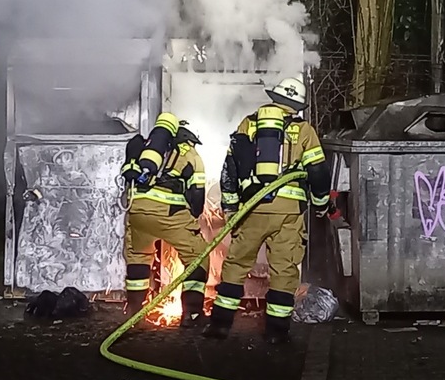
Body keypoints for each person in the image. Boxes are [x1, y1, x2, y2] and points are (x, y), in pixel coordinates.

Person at [202, 75, 331, 344]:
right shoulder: (304, 130)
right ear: (296, 105)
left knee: (236, 265)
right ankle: (276, 333)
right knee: (284, 270)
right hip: (288, 213)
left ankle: (219, 326)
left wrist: (231, 207)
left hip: (253, 208)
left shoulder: (249, 123)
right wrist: (321, 205)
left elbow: (230, 168)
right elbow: (318, 171)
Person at [120, 113, 208, 328]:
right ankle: (192, 314)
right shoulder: (189, 152)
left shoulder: (146, 148)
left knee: (139, 256)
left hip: (138, 211)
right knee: (197, 257)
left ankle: (134, 314)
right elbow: (197, 191)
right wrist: (193, 217)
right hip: (170, 214)